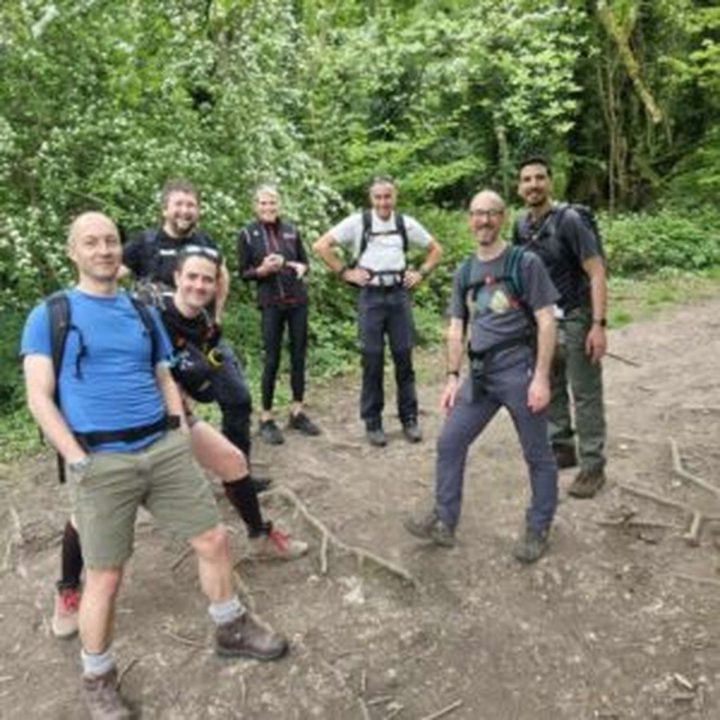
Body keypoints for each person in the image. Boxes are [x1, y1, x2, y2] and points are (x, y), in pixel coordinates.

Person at [22, 212, 287, 719]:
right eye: (91, 243)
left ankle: (230, 627)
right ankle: (98, 677)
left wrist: (177, 430)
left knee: (213, 540)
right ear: (72, 251)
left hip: (161, 448)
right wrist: (78, 460)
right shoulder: (51, 314)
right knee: (105, 575)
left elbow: (164, 373)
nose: (104, 250)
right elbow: (39, 396)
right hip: (100, 459)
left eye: (111, 242)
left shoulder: (141, 311)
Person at [51, 245, 309, 641]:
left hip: (172, 421)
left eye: (207, 279)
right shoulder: (146, 310)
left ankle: (260, 535)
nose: (199, 285)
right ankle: (68, 589)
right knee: (82, 517)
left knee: (233, 462)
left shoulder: (205, 322)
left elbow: (194, 373)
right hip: (117, 430)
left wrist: (194, 400)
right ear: (176, 279)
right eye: (192, 277)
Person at [404, 190, 559, 563]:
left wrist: (540, 377)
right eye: (476, 214)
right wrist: (453, 376)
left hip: (518, 369)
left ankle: (538, 527)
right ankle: (444, 518)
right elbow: (457, 327)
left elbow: (546, 320)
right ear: (468, 219)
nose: (483, 221)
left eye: (490, 214)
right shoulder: (465, 271)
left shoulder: (525, 263)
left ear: (503, 217)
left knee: (537, 454)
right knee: (450, 442)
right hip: (479, 374)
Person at [122, 179, 261, 489]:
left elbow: (221, 275)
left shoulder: (205, 241)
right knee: (172, 417)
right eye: (179, 204)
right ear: (165, 208)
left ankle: (239, 475)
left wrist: (217, 315)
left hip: (204, 339)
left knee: (238, 399)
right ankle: (159, 483)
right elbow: (110, 277)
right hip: (161, 349)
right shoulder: (144, 243)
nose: (185, 211)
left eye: (191, 205)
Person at [313, 176, 442, 447]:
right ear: (371, 199)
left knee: (404, 357)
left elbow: (435, 249)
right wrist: (345, 272)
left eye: (388, 197)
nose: (383, 202)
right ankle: (373, 422)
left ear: (395, 197)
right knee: (372, 359)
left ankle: (410, 419)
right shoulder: (358, 222)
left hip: (398, 296)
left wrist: (420, 273)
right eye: (378, 197)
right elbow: (321, 246)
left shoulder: (405, 224)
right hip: (370, 297)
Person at [513, 156, 608, 498]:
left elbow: (596, 272)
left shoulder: (569, 221)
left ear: (550, 182)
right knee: (549, 382)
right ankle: (561, 446)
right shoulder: (521, 226)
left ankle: (593, 467)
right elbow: (520, 275)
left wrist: (598, 325)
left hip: (577, 315)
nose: (534, 184)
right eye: (527, 179)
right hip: (542, 321)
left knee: (585, 392)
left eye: (540, 178)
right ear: (519, 187)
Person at [238, 185, 320, 445]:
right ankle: (266, 417)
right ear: (255, 206)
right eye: (263, 203)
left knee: (298, 355)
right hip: (271, 303)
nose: (268, 208)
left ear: (278, 205)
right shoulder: (248, 234)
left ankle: (297, 411)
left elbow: (305, 262)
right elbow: (243, 273)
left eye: (272, 203)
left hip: (297, 301)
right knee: (271, 358)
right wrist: (261, 270)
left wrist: (300, 267)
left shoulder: (291, 230)